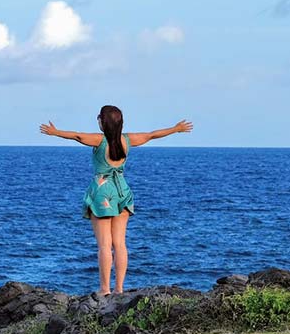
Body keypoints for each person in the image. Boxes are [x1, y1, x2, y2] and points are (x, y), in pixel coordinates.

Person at [39, 106, 192, 296]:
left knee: (104, 244)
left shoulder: (99, 140)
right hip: (122, 191)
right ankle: (119, 288)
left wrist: (55, 133)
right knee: (120, 243)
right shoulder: (128, 140)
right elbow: (152, 135)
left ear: (103, 122)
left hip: (103, 193)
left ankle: (105, 289)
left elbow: (77, 136)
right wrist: (175, 128)